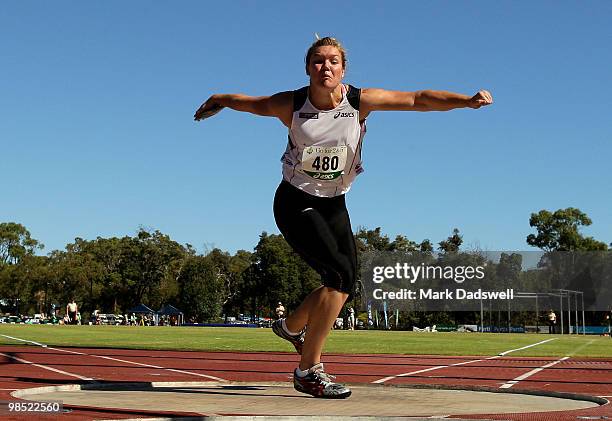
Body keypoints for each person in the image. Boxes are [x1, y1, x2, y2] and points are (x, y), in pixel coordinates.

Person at [194, 36, 493, 399]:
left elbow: (418, 99)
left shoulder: (359, 101)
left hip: (335, 203)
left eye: (333, 61)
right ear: (307, 68)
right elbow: (250, 103)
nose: (326, 68)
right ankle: (308, 370)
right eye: (318, 61)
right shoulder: (290, 104)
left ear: (343, 69)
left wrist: (465, 101)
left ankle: (290, 327)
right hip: (295, 201)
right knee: (337, 279)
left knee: (345, 283)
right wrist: (220, 100)